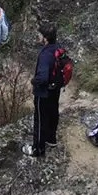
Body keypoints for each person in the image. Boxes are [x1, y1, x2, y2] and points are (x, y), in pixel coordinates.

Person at [29, 25, 65, 157]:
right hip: (55, 89)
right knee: (52, 113)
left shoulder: (45, 55)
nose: (38, 37)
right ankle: (51, 139)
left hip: (43, 92)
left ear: (45, 38)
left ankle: (37, 149)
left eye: (39, 35)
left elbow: (42, 78)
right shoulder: (58, 48)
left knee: (39, 119)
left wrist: (33, 81)